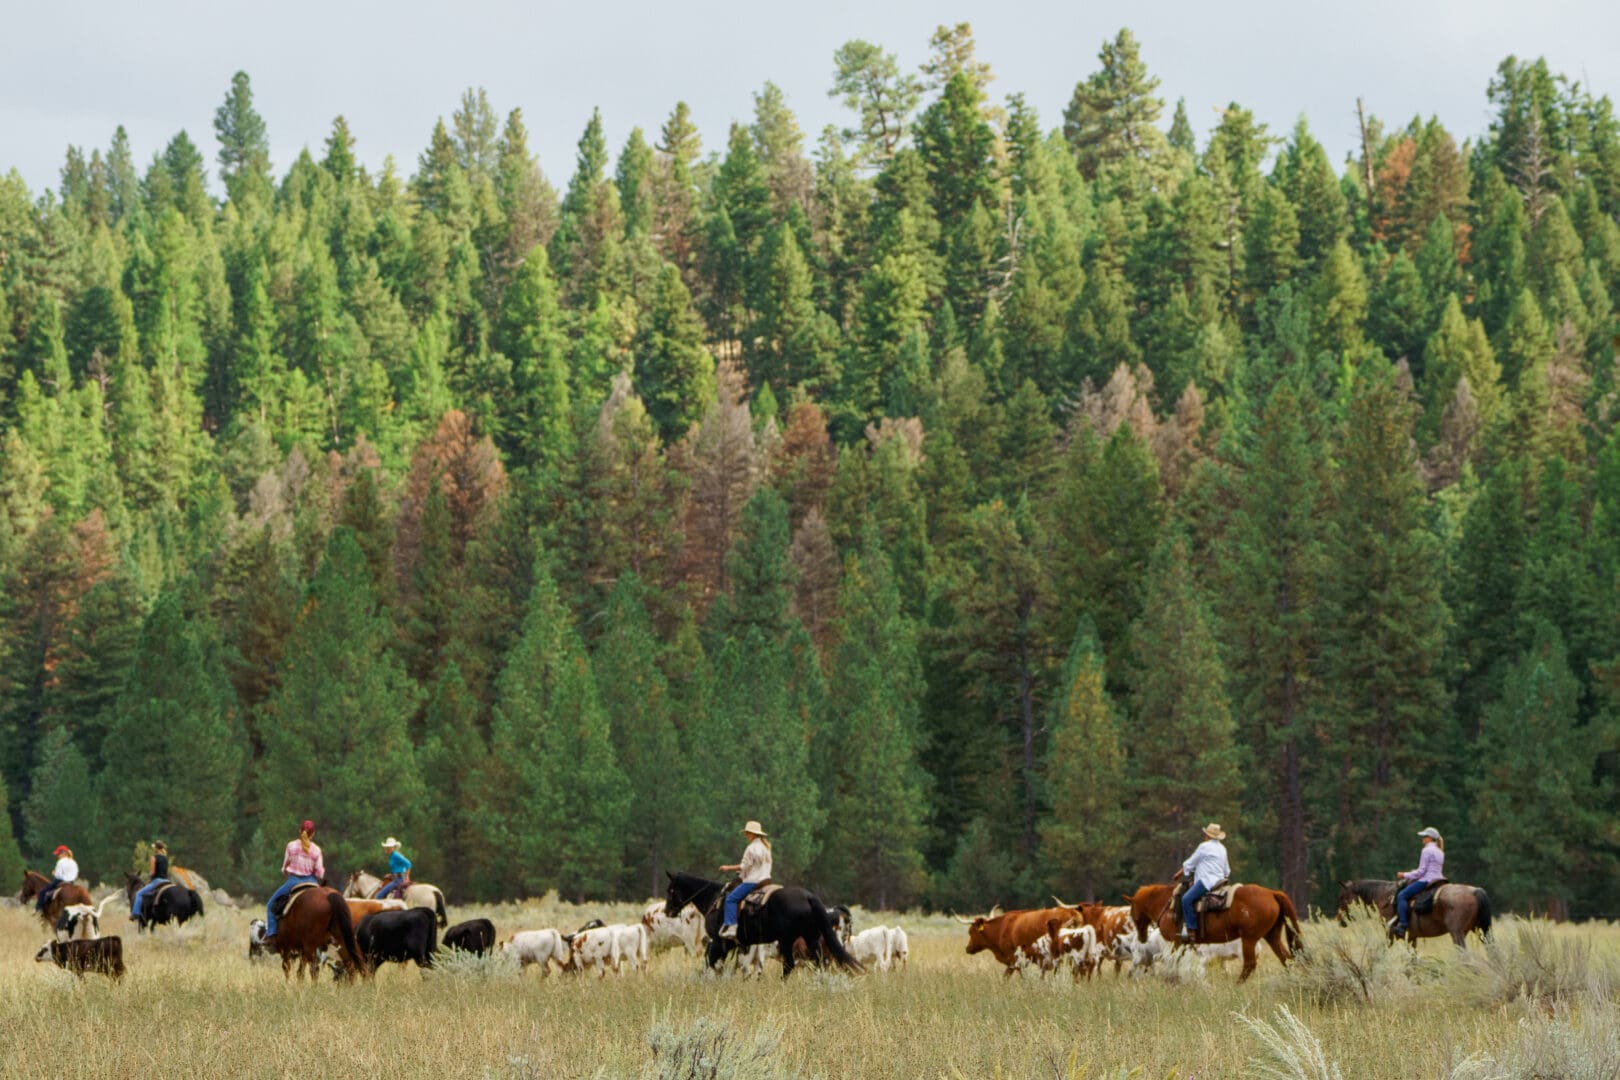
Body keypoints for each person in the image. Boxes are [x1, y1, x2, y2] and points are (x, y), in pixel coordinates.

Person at [262, 820, 324, 947]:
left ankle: (272, 935)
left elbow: (284, 867)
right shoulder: (317, 850)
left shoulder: (291, 846)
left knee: (270, 905)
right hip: (312, 881)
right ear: (313, 834)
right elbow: (319, 873)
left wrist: (287, 873)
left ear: (299, 831)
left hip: (293, 881)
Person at [717, 821, 772, 940]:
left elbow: (744, 866)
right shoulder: (766, 848)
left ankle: (731, 926)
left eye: (747, 833)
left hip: (752, 881)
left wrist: (727, 868)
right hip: (766, 880)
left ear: (753, 834)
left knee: (731, 898)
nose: (746, 835)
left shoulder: (751, 848)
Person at [1175, 823, 1229, 943]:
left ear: (1207, 836)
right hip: (1220, 881)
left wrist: (1180, 873)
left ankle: (1191, 930)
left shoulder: (1203, 846)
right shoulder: (1223, 848)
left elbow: (1191, 862)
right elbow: (1227, 870)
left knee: (1186, 899)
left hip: (1206, 881)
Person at [1392, 827, 1445, 936]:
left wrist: (1404, 874)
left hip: (1427, 880)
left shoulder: (1426, 850)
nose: (1422, 839)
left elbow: (1421, 872)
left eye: (1424, 836)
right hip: (1439, 879)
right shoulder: (1440, 851)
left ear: (1430, 838)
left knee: (1401, 895)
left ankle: (1402, 925)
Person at [130, 841, 170, 921]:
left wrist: (148, 877)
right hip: (166, 881)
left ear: (156, 848)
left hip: (157, 881)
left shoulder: (153, 857)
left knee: (139, 894)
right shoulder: (165, 858)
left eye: (154, 847)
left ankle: (135, 913)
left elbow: (153, 872)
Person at [35, 845, 79, 912]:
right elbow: (75, 874)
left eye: (58, 854)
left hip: (60, 881)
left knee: (43, 892)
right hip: (71, 883)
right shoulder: (73, 862)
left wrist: (54, 874)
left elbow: (58, 875)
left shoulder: (60, 862)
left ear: (64, 853)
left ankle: (39, 909)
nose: (57, 856)